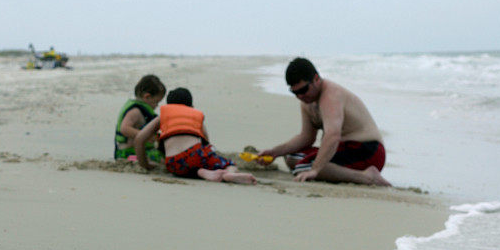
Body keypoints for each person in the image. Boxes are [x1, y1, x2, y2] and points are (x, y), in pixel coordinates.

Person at [258, 58, 391, 186]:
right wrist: (274, 152)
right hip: (343, 149)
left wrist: (315, 170)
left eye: (303, 90)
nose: (300, 96)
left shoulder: (331, 95)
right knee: (290, 156)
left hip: (368, 150)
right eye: (295, 92)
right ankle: (334, 171)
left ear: (316, 79)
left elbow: (333, 135)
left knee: (305, 167)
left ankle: (368, 177)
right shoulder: (307, 102)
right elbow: (306, 137)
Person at [135, 87, 256, 184]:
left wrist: (144, 165)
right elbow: (206, 142)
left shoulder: (163, 116)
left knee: (180, 168)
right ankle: (230, 173)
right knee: (228, 163)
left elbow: (139, 139)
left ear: (169, 106)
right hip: (196, 154)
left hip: (174, 162)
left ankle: (202, 172)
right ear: (191, 107)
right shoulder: (195, 115)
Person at [114, 75, 166, 162]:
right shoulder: (135, 111)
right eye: (156, 102)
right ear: (147, 97)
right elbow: (124, 128)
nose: (157, 105)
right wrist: (144, 135)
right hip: (127, 154)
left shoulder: (142, 110)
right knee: (160, 160)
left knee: (162, 155)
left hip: (136, 151)